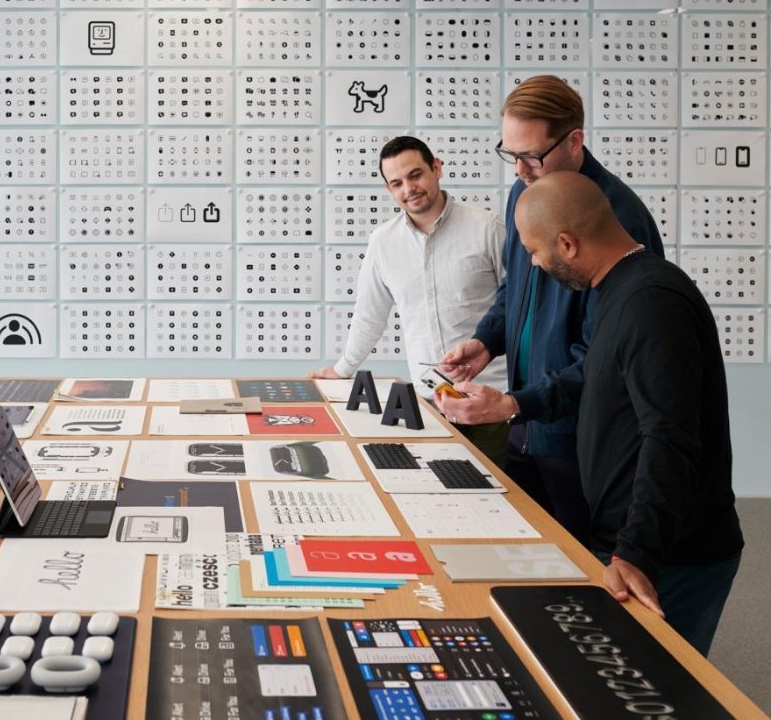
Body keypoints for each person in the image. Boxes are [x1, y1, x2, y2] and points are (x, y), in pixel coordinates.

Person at [508, 171, 743, 655]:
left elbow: (670, 436)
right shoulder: (615, 289)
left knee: (660, 690)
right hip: (633, 540)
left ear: (567, 244)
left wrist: (636, 553)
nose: (535, 263)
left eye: (535, 251)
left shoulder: (651, 304)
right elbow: (593, 378)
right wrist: (516, 404)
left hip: (671, 554)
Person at [437, 75, 664, 544]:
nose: (519, 170)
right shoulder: (526, 192)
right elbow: (515, 287)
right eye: (510, 153)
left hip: (580, 437)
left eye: (531, 155)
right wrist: (488, 340)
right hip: (527, 424)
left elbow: (607, 359)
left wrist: (518, 403)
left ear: (575, 140)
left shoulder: (620, 218)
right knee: (534, 559)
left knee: (586, 572)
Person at [308, 135, 509, 466]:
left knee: (498, 502)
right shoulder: (383, 242)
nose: (408, 189)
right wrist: (343, 369)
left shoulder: (487, 228)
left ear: (436, 168)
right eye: (397, 183)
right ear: (389, 189)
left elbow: (517, 306)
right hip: (428, 404)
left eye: (415, 175)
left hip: (489, 399)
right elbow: (370, 315)